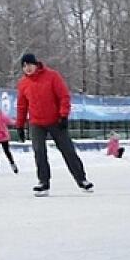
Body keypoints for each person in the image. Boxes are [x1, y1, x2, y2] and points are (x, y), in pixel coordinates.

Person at [14, 53, 94, 196]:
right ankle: (43, 182)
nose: (27, 68)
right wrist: (19, 125)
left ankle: (82, 179)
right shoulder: (23, 83)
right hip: (36, 122)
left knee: (67, 150)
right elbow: (22, 106)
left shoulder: (52, 76)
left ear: (36, 64)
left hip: (55, 120)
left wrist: (63, 115)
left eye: (29, 65)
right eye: (24, 66)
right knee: (39, 152)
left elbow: (63, 96)